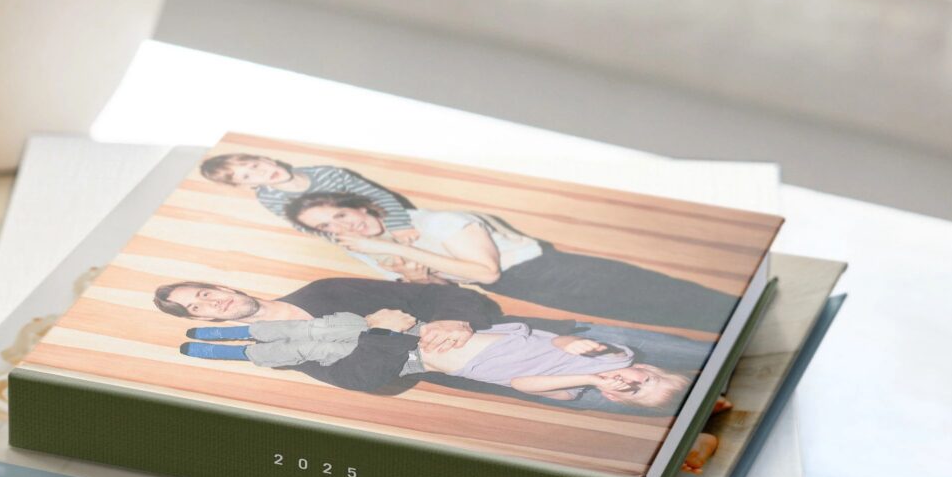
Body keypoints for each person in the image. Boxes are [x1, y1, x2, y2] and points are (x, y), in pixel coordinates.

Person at [155, 280, 691, 409]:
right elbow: (366, 381)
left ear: (222, 285)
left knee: (707, 366)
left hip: (564, 340)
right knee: (669, 409)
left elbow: (439, 294)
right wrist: (375, 328)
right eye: (195, 309)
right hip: (522, 372)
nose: (210, 304)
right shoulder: (283, 347)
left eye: (205, 293)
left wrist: (455, 319)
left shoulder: (324, 292)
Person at [281, 194, 735, 338]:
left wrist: (411, 255)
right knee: (658, 315)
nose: (344, 225)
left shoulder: (436, 222)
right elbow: (449, 281)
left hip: (555, 271)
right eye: (328, 226)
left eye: (340, 213)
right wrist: (418, 279)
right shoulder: (378, 249)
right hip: (536, 289)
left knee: (678, 299)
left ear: (354, 204)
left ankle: (743, 320)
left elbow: (486, 273)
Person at [198, 150, 412, 228]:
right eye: (247, 176)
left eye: (255, 165)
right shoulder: (270, 198)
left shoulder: (326, 173)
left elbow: (377, 195)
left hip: (388, 212)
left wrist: (398, 225)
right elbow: (307, 227)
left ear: (266, 158)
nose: (260, 173)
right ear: (248, 185)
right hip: (352, 232)